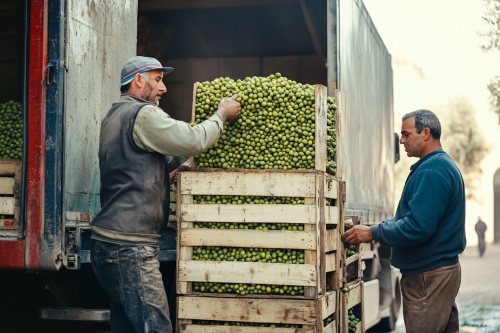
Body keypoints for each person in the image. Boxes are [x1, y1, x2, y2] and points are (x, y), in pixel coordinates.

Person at [89, 56, 241, 333]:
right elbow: (194, 139)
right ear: (139, 80)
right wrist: (220, 115)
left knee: (126, 328)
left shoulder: (113, 115)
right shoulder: (144, 114)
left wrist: (169, 171)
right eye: (158, 79)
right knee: (156, 327)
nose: (164, 88)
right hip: (130, 249)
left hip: (107, 245)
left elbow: (134, 167)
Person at [341, 110, 465, 333]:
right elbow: (412, 219)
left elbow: (418, 227)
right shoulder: (438, 165)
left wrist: (372, 233)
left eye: (406, 134)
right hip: (438, 273)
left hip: (428, 277)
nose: (401, 141)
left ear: (425, 133)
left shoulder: (433, 170)